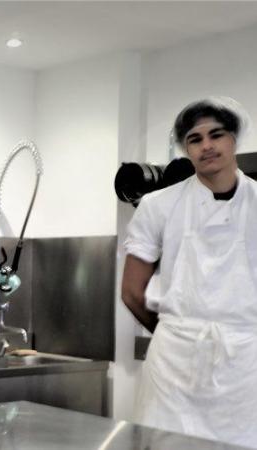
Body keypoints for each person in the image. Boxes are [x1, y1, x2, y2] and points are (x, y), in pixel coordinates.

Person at [122, 96, 257, 447]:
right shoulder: (158, 206)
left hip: (246, 368)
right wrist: (175, 332)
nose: (207, 146)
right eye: (195, 139)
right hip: (173, 371)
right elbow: (132, 292)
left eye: (216, 134)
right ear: (185, 148)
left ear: (234, 140)